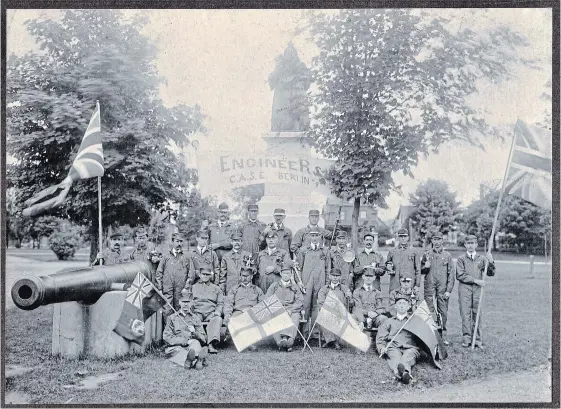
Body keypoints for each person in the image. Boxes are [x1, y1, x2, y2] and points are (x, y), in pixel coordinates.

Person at [456, 234, 495, 349]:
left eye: (472, 243)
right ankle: (467, 339)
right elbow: (460, 275)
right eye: (468, 243)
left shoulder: (482, 259)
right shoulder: (461, 259)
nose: (470, 246)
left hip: (478, 291)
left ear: (476, 245)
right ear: (465, 245)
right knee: (465, 314)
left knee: (477, 313)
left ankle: (477, 340)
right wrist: (475, 281)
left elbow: (490, 273)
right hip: (465, 289)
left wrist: (491, 262)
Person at [376, 295, 422, 384]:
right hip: (394, 347)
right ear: (395, 306)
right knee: (395, 358)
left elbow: (421, 337)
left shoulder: (413, 321)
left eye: (404, 304)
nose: (401, 305)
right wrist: (382, 348)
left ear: (408, 306)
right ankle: (404, 374)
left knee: (408, 357)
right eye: (399, 303)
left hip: (410, 347)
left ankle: (402, 373)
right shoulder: (389, 321)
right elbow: (381, 338)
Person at [421, 232, 455, 345]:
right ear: (432, 241)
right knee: (429, 310)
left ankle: (442, 336)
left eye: (439, 239)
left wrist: (448, 290)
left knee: (443, 312)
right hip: (429, 285)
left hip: (443, 288)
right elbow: (420, 270)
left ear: (442, 241)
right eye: (434, 239)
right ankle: (431, 334)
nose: (436, 242)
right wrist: (425, 267)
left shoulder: (447, 256)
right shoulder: (427, 254)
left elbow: (451, 274)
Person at [295, 226, 331, 330]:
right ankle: (304, 333)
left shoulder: (325, 251)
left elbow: (328, 268)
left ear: (321, 236)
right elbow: (298, 268)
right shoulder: (303, 250)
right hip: (306, 283)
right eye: (312, 235)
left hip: (320, 282)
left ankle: (315, 333)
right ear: (308, 236)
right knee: (305, 306)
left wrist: (327, 283)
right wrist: (299, 282)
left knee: (317, 306)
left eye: (317, 235)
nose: (315, 238)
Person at [223, 265, 264, 352]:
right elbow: (228, 303)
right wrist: (227, 313)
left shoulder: (257, 290)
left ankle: (247, 342)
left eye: (247, 276)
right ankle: (247, 343)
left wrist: (254, 311)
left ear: (251, 276)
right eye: (242, 276)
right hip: (238, 311)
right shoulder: (234, 289)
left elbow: (262, 304)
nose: (244, 278)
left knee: (251, 320)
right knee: (233, 319)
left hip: (252, 311)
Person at [163, 292, 209, 370]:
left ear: (192, 303)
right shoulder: (172, 318)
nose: (186, 305)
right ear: (179, 302)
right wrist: (184, 341)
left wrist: (195, 333)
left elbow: (204, 338)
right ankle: (197, 361)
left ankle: (189, 362)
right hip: (176, 346)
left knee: (196, 343)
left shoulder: (196, 318)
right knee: (175, 351)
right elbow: (167, 337)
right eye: (184, 302)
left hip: (192, 347)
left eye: (188, 302)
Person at [265, 265, 304, 352]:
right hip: (277, 309)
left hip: (292, 309)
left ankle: (290, 340)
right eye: (284, 273)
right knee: (274, 318)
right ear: (281, 274)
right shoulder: (274, 286)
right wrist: (278, 309)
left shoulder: (295, 287)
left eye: (288, 273)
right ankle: (280, 341)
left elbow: (300, 301)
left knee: (295, 317)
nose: (286, 275)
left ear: (291, 275)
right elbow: (267, 298)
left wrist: (291, 309)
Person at [187, 265, 224, 354]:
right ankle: (200, 342)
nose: (205, 276)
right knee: (191, 320)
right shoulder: (193, 287)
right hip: (197, 312)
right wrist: (191, 310)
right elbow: (189, 301)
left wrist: (217, 312)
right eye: (203, 274)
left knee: (217, 319)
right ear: (199, 275)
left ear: (210, 276)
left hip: (211, 313)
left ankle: (210, 344)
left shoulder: (216, 288)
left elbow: (220, 303)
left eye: (207, 275)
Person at [156, 232, 191, 316]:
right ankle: (167, 329)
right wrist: (160, 289)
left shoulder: (186, 257)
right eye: (177, 241)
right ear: (172, 242)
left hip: (181, 290)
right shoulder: (166, 257)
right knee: (167, 310)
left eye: (181, 241)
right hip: (167, 290)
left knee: (180, 311)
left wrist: (186, 287)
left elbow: (191, 273)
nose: (179, 244)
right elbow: (159, 272)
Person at [317, 268, 353, 350]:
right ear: (329, 276)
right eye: (333, 275)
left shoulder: (344, 288)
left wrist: (349, 297)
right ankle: (334, 342)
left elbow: (350, 304)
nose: (335, 277)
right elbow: (321, 303)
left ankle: (330, 341)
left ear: (340, 277)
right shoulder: (324, 289)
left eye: (337, 276)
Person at [386, 228, 421, 294]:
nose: (403, 238)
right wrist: (388, 267)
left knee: (410, 302)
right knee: (394, 302)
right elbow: (387, 265)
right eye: (401, 236)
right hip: (395, 284)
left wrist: (417, 285)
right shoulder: (392, 251)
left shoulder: (414, 251)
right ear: (398, 238)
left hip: (409, 283)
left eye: (405, 236)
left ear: (408, 237)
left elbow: (418, 269)